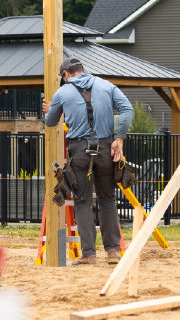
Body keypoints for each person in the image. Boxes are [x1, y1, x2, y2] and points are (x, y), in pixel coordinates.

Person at [42, 56, 133, 265]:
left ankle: (89, 255)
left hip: (79, 151)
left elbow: (51, 122)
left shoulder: (62, 92)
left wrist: (50, 110)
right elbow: (127, 109)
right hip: (106, 148)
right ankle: (113, 252)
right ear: (83, 70)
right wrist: (119, 138)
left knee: (83, 202)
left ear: (65, 75)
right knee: (107, 199)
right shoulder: (106, 85)